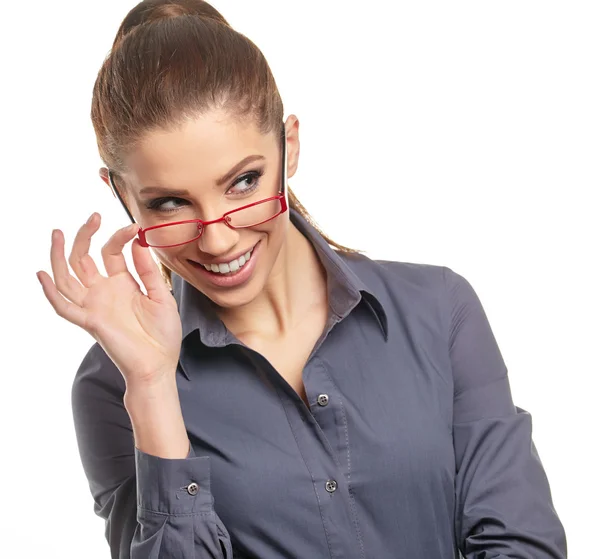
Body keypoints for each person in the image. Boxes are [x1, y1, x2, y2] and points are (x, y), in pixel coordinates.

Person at [36, 1, 567, 557]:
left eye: (243, 182)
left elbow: (523, 545)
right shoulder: (113, 386)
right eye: (170, 202)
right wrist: (152, 389)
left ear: (288, 146)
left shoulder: (438, 311)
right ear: (121, 194)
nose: (218, 240)